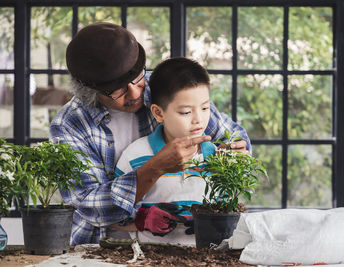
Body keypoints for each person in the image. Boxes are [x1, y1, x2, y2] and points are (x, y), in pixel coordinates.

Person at [49, 22, 251, 245]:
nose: (136, 92)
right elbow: (87, 204)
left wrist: (236, 148)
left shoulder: (164, 85)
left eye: (137, 78)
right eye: (119, 90)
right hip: (99, 244)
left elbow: (228, 134)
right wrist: (156, 168)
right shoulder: (70, 124)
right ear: (90, 91)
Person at [115, 57, 215, 245]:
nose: (198, 119)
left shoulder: (216, 158)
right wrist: (141, 218)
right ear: (159, 113)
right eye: (186, 112)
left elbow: (230, 211)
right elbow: (115, 216)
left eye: (205, 108)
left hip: (207, 256)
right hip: (151, 257)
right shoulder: (134, 156)